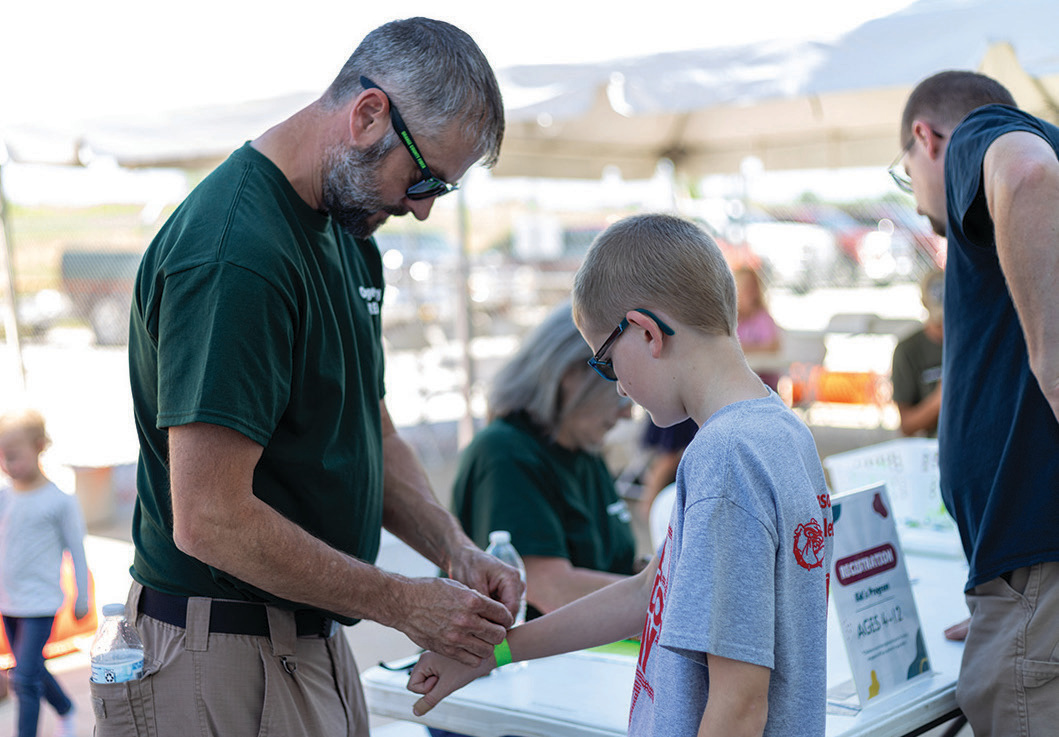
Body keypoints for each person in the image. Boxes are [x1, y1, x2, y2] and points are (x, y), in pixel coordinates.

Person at [114, 18, 522, 737]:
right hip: (223, 651)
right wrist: (401, 601)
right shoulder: (235, 253)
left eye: (442, 192)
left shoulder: (345, 229)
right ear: (368, 114)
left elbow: (372, 427)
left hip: (301, 641)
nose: (421, 205)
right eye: (424, 177)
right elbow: (209, 517)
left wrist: (452, 550)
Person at [409, 213, 833, 737]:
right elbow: (646, 595)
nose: (620, 390)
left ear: (647, 332)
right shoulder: (784, 434)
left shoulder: (724, 456)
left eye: (607, 363)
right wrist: (493, 653)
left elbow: (740, 705)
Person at [891, 70, 1059, 736]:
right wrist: (1003, 594)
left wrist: (1050, 359)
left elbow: (1023, 174)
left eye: (906, 172)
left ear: (923, 139)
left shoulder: (977, 137)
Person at [452, 301, 641, 620]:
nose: (628, 410)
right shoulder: (504, 452)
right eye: (619, 386)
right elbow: (550, 589)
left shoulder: (585, 449)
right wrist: (659, 595)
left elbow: (612, 567)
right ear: (571, 375)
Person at [0, 408, 89, 737]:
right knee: (31, 667)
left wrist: (84, 595)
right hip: (8, 601)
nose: (7, 464)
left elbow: (77, 551)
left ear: (39, 446)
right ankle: (65, 707)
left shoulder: (59, 501)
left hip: (40, 601)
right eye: (1, 456)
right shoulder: (5, 497)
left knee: (23, 679)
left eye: (13, 456)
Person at [890, 269, 944, 437]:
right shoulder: (908, 350)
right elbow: (907, 425)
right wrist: (940, 399)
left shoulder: (971, 345)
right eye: (939, 322)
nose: (944, 326)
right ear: (924, 303)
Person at [734, 265, 783, 392]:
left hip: (765, 383)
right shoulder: (731, 320)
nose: (750, 293)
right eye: (745, 289)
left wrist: (744, 347)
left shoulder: (762, 317)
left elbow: (773, 346)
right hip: (737, 382)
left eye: (753, 288)